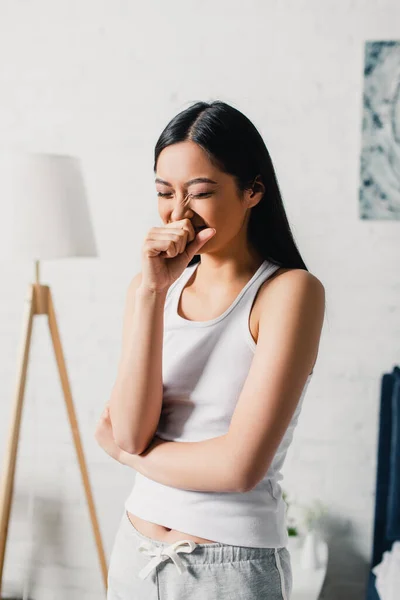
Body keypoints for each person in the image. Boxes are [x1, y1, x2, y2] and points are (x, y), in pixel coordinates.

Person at [95, 99, 325, 599]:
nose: (178, 213)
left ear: (253, 192)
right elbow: (133, 431)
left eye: (200, 193)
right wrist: (153, 293)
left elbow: (239, 468)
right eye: (164, 192)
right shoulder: (150, 288)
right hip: (133, 554)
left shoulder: (290, 292)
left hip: (232, 567)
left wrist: (130, 458)